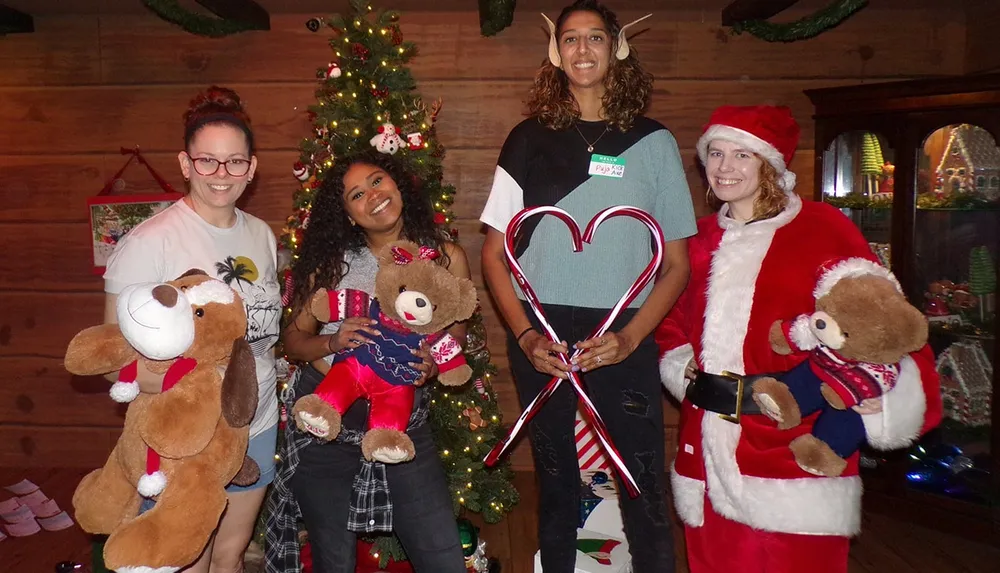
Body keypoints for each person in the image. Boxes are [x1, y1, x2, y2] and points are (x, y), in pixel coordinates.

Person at [655, 104, 942, 573]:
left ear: (770, 165)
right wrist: (679, 357)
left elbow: (887, 324)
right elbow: (668, 318)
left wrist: (889, 398)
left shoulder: (823, 229)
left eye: (743, 155)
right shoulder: (698, 239)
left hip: (795, 448)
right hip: (706, 450)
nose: (726, 168)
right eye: (716, 154)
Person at [479, 1, 696, 571]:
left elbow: (676, 264)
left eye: (594, 37)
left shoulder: (656, 143)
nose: (582, 50)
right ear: (556, 52)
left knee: (641, 480)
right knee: (555, 480)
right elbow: (494, 254)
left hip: (621, 330)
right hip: (541, 331)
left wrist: (630, 338)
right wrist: (526, 337)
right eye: (570, 39)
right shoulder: (525, 139)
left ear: (617, 48)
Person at [102, 86, 282, 572]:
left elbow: (260, 333)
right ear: (185, 164)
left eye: (235, 162)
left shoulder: (261, 234)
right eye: (207, 161)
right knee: (188, 556)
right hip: (185, 434)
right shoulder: (150, 242)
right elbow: (112, 358)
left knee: (231, 549)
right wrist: (190, 391)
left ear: (252, 166)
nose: (221, 175)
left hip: (258, 420)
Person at [265, 150, 470, 573]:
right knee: (334, 558)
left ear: (397, 184)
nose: (373, 196)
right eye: (357, 194)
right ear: (350, 216)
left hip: (401, 422)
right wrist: (333, 341)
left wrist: (435, 359)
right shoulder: (330, 265)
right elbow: (293, 341)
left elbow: (458, 325)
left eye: (377, 181)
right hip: (327, 425)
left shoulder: (444, 255)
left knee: (442, 553)